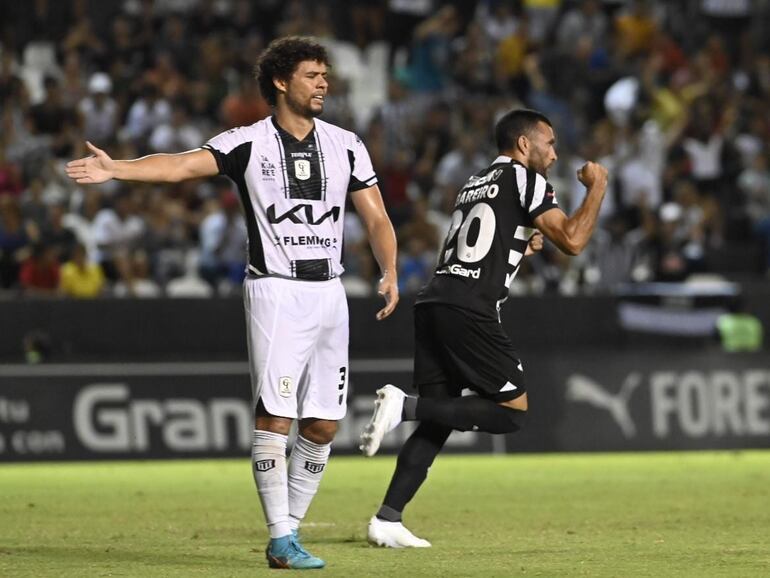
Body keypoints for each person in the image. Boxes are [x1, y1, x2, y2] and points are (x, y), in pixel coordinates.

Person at [66, 36, 399, 570]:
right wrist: (117, 169)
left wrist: (388, 270)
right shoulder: (248, 142)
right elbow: (178, 166)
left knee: (323, 424)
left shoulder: (347, 144)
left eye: (325, 75)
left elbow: (378, 217)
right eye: (312, 75)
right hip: (276, 290)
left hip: (330, 293)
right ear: (281, 81)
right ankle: (281, 535)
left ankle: (290, 532)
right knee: (275, 417)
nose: (323, 83)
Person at [359, 109, 607, 547]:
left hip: (434, 300)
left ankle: (388, 519)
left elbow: (484, 239)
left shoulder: (474, 183)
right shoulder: (527, 180)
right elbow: (572, 240)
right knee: (512, 412)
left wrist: (524, 241)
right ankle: (403, 406)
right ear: (525, 144)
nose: (554, 154)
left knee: (440, 419)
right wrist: (599, 187)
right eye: (549, 144)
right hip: (469, 307)